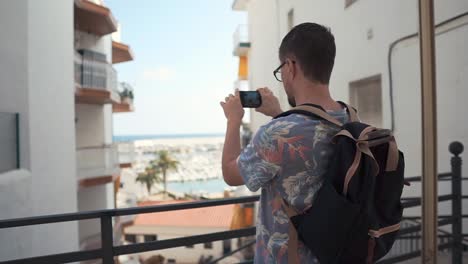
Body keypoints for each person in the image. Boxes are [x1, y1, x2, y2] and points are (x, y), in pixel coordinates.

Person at [220, 23, 352, 263]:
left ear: (290, 67)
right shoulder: (350, 117)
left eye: (281, 69)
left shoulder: (277, 133)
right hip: (338, 254)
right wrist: (279, 114)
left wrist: (233, 120)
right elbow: (308, 137)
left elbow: (231, 173)